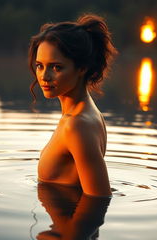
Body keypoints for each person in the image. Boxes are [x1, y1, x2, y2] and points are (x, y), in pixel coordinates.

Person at [28, 14, 117, 197]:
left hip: (69, 226)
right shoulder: (88, 113)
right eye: (40, 66)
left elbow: (99, 198)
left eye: (56, 67)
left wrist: (74, 226)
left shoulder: (77, 125)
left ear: (82, 67)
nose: (44, 77)